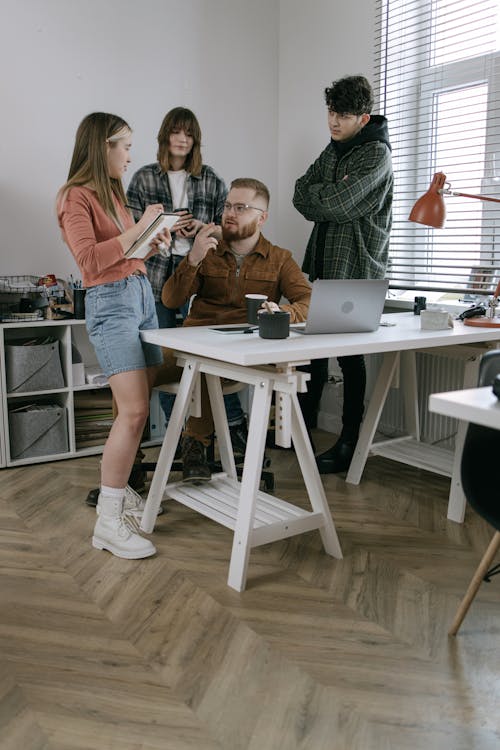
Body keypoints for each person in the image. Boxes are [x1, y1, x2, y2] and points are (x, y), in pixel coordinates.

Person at [57, 112, 172, 559]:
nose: (129, 155)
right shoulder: (75, 197)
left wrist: (150, 242)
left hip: (140, 295)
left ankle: (120, 493)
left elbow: (124, 253)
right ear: (101, 145)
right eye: (124, 145)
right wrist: (140, 229)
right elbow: (89, 262)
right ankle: (107, 522)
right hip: (111, 303)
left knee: (140, 410)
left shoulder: (113, 196)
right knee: (133, 410)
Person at [157, 177, 312, 481]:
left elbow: (308, 300)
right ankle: (127, 463)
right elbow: (171, 299)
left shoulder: (279, 259)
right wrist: (193, 258)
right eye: (228, 205)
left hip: (241, 351)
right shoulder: (209, 249)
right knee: (131, 370)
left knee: (203, 364)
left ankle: (196, 444)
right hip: (191, 341)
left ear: (261, 218)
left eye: (240, 207)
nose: (229, 213)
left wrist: (283, 312)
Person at [126, 108, 247, 453]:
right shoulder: (144, 178)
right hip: (157, 277)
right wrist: (163, 228)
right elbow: (131, 234)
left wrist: (201, 229)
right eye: (176, 132)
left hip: (201, 276)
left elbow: (228, 228)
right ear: (165, 136)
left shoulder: (209, 178)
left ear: (195, 141)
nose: (182, 139)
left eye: (189, 134)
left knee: (212, 357)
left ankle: (232, 430)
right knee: (163, 361)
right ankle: (184, 437)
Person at [293, 75, 393, 474]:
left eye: (343, 115)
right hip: (324, 263)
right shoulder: (335, 148)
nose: (333, 121)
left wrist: (328, 198)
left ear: (363, 117)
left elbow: (338, 204)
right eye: (331, 112)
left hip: (358, 266)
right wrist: (328, 198)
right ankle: (299, 431)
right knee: (311, 353)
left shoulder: (375, 154)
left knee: (350, 360)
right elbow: (300, 192)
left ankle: (350, 443)